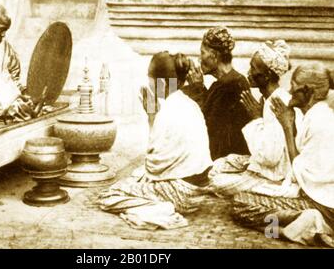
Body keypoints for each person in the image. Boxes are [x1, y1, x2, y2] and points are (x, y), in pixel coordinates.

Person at [98, 52, 213, 230]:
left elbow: (153, 165)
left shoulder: (167, 110)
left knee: (109, 195)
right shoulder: (188, 103)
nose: (148, 82)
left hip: (182, 194)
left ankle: (162, 210)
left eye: (150, 78)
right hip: (199, 190)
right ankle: (157, 203)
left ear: (162, 83)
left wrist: (152, 115)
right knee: (137, 175)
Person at [232, 63, 334, 247]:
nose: (289, 89)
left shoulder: (320, 121)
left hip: (324, 206)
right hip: (318, 199)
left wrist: (287, 126)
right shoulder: (316, 114)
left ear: (307, 91)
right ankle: (304, 223)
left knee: (241, 205)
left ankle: (291, 229)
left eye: (293, 85)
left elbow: (300, 173)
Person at [209, 40, 302, 197]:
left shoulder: (277, 103)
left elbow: (269, 158)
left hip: (274, 176)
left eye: (253, 68)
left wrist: (256, 120)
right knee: (218, 165)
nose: (249, 72)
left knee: (216, 181)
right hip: (265, 167)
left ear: (266, 76)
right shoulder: (270, 98)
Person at [187, 27, 250, 160]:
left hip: (225, 159)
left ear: (214, 56)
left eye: (202, 53)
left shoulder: (229, 86)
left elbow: (205, 125)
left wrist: (197, 88)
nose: (199, 59)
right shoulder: (234, 81)